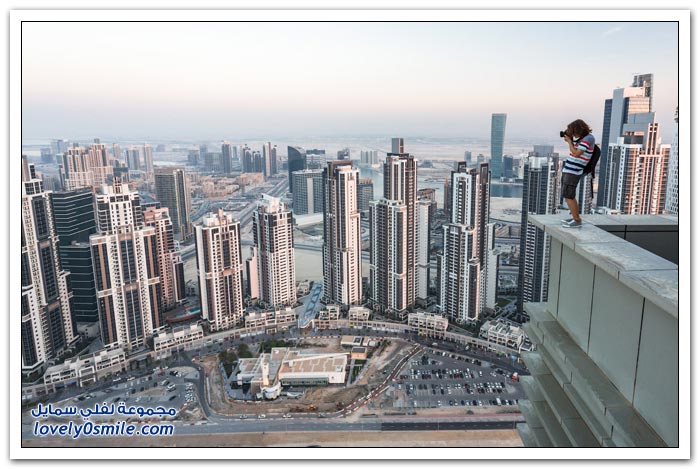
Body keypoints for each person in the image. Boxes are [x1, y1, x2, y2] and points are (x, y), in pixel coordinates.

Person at [560, 119, 595, 228]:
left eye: (573, 131)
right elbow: (575, 152)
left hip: (574, 171)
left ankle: (577, 220)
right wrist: (571, 141)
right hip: (569, 170)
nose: (573, 134)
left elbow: (576, 153)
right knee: (566, 195)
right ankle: (574, 217)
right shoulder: (583, 139)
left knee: (569, 195)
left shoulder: (588, 138)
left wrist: (570, 142)